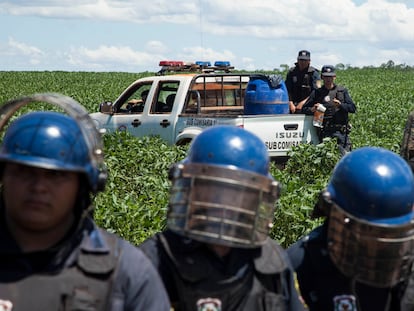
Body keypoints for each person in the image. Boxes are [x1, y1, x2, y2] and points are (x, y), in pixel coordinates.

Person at [0, 93, 170, 310]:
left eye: (56, 175)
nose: (38, 187)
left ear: (86, 184)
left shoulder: (126, 271)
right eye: (24, 171)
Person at [139, 125, 306, 311]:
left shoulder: (271, 260)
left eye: (235, 195)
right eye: (213, 192)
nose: (223, 204)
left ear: (253, 200)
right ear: (194, 191)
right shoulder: (156, 258)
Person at [287, 146, 414, 311]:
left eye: (389, 235)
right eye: (369, 232)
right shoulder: (301, 265)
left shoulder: (405, 265)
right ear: (335, 216)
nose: (379, 245)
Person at [302, 65, 356, 155]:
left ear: (334, 77)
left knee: (344, 158)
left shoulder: (342, 91)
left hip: (341, 133)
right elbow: (304, 109)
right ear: (322, 77)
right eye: (326, 77)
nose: (328, 79)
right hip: (325, 133)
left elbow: (352, 108)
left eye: (330, 77)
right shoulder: (317, 93)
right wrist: (312, 109)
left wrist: (341, 105)